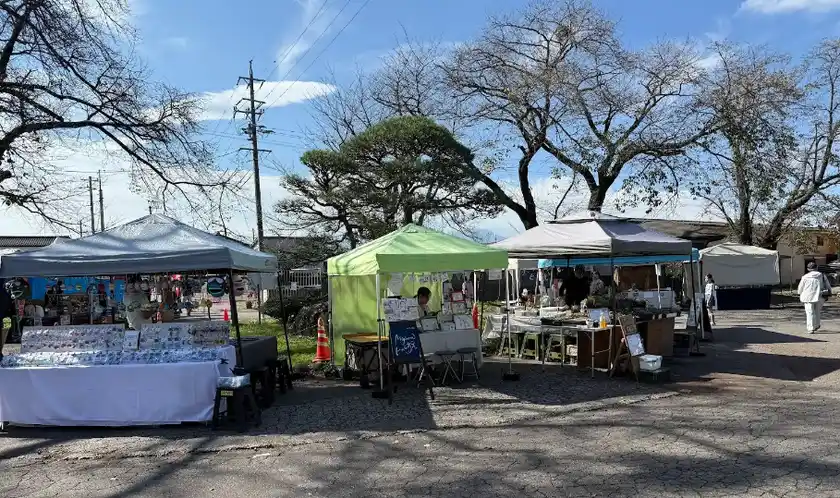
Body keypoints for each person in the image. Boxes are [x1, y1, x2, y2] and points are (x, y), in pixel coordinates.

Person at [798, 262, 832, 333]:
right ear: (816, 268)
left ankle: (811, 328)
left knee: (810, 312)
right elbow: (828, 285)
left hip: (808, 297)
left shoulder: (805, 277)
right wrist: (829, 292)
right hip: (820, 296)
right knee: (817, 311)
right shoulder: (822, 275)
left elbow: (800, 288)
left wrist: (800, 293)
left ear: (808, 269)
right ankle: (816, 325)